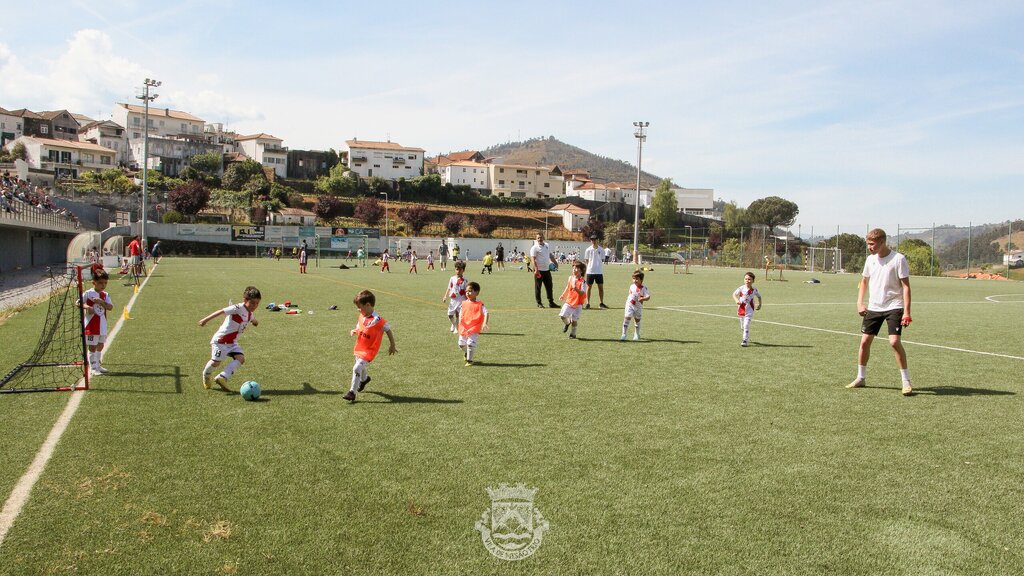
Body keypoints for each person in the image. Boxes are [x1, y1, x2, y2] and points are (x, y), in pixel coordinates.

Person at [847, 228, 913, 396]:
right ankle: (860, 378)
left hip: (894, 306)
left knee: (893, 342)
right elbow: (864, 282)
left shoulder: (899, 259)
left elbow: (906, 286)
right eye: (868, 244)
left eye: (872, 244)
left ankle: (906, 382)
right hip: (874, 307)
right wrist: (860, 302)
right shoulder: (870, 260)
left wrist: (906, 311)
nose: (870, 247)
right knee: (864, 342)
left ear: (882, 242)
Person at [198, 286, 261, 391]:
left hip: (232, 343)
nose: (255, 306)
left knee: (241, 359)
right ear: (245, 300)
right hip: (221, 341)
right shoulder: (237, 308)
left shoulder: (250, 314)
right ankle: (206, 374)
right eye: (252, 303)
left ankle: (222, 377)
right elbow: (221, 311)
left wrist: (255, 322)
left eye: (257, 303)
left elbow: (253, 319)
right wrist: (205, 320)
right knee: (216, 363)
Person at [346, 289, 397, 402]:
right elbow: (360, 325)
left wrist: (392, 345)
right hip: (360, 346)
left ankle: (352, 392)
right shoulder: (362, 315)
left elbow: (388, 330)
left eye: (360, 307)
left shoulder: (378, 320)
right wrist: (355, 330)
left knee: (357, 367)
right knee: (360, 366)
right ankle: (364, 379)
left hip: (370, 350)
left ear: (368, 305)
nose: (358, 310)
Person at [81, 269, 114, 376]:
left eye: (105, 283)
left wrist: (101, 302)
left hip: (102, 325)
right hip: (91, 324)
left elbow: (110, 307)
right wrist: (88, 307)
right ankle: (93, 367)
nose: (103, 285)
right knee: (92, 346)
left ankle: (98, 364)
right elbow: (78, 303)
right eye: (100, 283)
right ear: (94, 282)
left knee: (100, 345)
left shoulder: (105, 294)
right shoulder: (88, 293)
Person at [458, 281, 489, 366]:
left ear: (477, 293)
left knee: (470, 344)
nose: (468, 293)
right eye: (467, 291)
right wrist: (460, 320)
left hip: (474, 327)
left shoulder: (480, 304)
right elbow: (461, 312)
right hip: (464, 326)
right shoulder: (464, 303)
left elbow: (486, 313)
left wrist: (485, 323)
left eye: (470, 291)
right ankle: (467, 353)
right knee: (461, 344)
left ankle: (470, 360)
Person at [732, 272, 762, 347]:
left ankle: (745, 340)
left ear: (753, 281)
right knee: (742, 326)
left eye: (749, 279)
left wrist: (760, 304)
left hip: (750, 310)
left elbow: (759, 296)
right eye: (746, 279)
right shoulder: (741, 288)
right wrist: (737, 301)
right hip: (741, 309)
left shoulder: (754, 290)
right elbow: (734, 294)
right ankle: (745, 333)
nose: (747, 281)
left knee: (746, 325)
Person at [559, 262, 587, 339]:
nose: (574, 270)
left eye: (576, 268)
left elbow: (582, 293)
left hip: (578, 303)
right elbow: (568, 287)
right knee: (562, 315)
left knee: (574, 320)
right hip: (569, 301)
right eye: (573, 268)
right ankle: (567, 323)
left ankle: (573, 334)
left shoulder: (583, 282)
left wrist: (576, 289)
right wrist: (563, 295)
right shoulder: (570, 278)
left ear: (581, 271)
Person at [621, 270, 651, 341]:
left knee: (637, 320)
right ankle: (624, 334)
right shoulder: (631, 286)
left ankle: (636, 334)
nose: (635, 280)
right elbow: (630, 293)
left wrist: (643, 298)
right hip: (630, 304)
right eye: (634, 278)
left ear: (641, 280)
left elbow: (648, 297)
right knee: (627, 318)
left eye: (637, 279)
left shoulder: (644, 288)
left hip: (638, 307)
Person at [530, 232, 557, 308]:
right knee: (538, 287)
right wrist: (536, 269)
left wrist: (555, 262)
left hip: (547, 270)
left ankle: (551, 302)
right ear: (536, 239)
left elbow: (550, 255)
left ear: (543, 237)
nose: (539, 239)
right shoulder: (534, 248)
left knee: (549, 286)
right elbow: (533, 259)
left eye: (541, 237)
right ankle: (539, 303)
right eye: (538, 238)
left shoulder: (547, 245)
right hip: (539, 271)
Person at [441, 261, 469, 334]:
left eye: (460, 270)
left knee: (458, 315)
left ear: (463, 270)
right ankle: (453, 324)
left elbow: (467, 291)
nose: (458, 271)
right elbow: (449, 288)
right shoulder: (452, 278)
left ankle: (457, 328)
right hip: (453, 300)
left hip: (461, 300)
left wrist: (468, 300)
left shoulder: (465, 280)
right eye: (457, 269)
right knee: (450, 315)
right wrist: (445, 296)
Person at [584, 235, 608, 309]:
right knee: (589, 287)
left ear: (597, 240)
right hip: (590, 271)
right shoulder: (588, 250)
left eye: (594, 240)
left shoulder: (602, 250)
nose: (593, 241)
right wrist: (590, 266)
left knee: (600, 287)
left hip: (599, 271)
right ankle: (588, 303)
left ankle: (601, 303)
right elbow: (587, 260)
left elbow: (602, 259)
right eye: (592, 240)